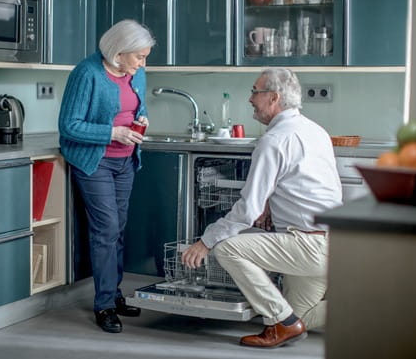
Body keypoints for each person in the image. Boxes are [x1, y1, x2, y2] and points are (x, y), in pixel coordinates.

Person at [181, 67, 342, 348]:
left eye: (255, 92)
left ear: (273, 98)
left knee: (227, 248)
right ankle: (369, 307)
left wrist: (205, 242)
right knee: (297, 318)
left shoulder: (274, 140)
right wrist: (269, 204)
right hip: (335, 243)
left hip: (308, 247)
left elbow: (247, 209)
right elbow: (298, 183)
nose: (250, 99)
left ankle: (283, 322)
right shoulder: (315, 130)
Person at [58, 19, 156, 333]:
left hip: (126, 161)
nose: (143, 63)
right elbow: (69, 125)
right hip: (95, 162)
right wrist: (114, 132)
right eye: (139, 56)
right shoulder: (87, 73)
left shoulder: (135, 72)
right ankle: (104, 306)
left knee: (118, 229)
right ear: (119, 51)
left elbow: (132, 107)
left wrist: (140, 120)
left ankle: (114, 294)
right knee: (106, 229)